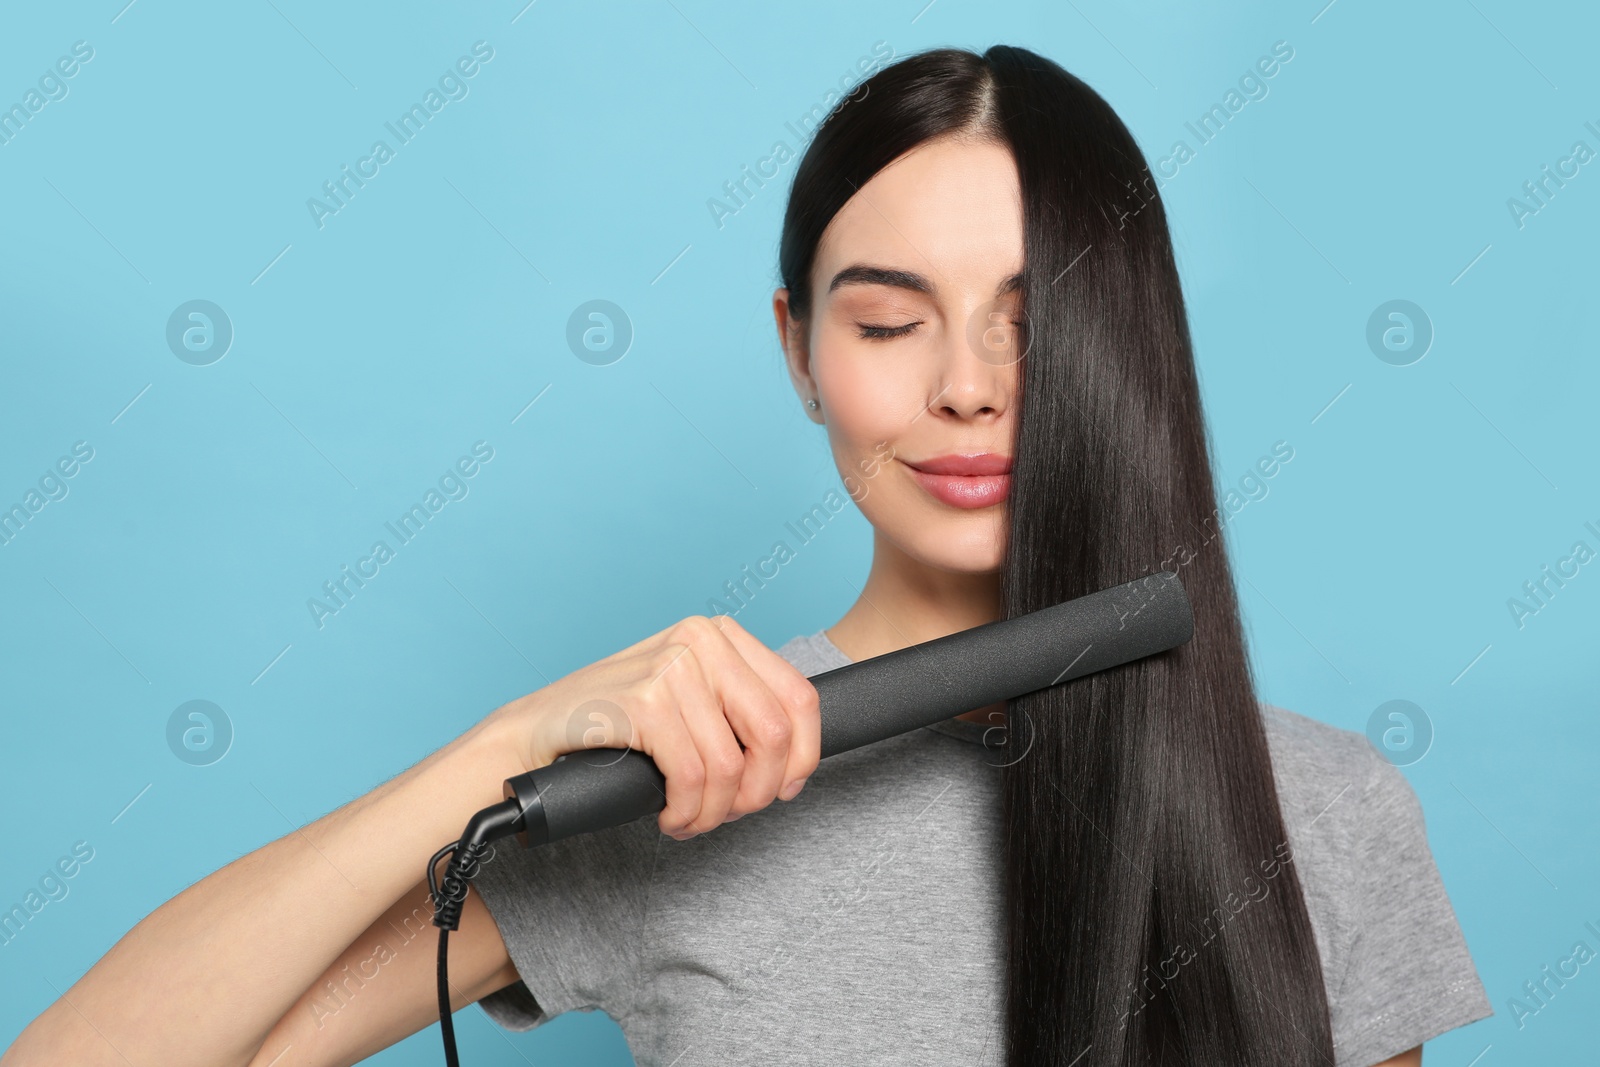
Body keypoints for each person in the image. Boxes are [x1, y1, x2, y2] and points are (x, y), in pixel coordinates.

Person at [3, 44, 1491, 1067]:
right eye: (889, 320)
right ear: (799, 353)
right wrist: (513, 744)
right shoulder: (676, 794)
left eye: (1036, 324)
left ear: (1136, 352)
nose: (966, 384)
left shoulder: (1337, 817)